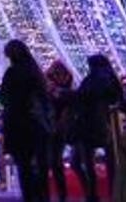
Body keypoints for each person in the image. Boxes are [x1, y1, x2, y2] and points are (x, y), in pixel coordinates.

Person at [0, 39, 51, 202]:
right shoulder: (35, 73)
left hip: (18, 127)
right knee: (40, 166)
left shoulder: (12, 73)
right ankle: (43, 196)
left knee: (24, 167)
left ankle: (29, 197)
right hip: (37, 126)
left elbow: (7, 99)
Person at [72, 54, 121, 202]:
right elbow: (117, 98)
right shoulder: (109, 79)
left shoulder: (92, 80)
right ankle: (111, 192)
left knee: (84, 161)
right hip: (104, 123)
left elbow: (81, 97)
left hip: (90, 124)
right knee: (109, 161)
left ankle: (92, 194)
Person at [44, 61, 74, 202]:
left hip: (50, 126)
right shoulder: (67, 90)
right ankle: (61, 194)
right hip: (59, 127)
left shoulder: (49, 87)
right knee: (56, 162)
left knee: (51, 161)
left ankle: (51, 194)